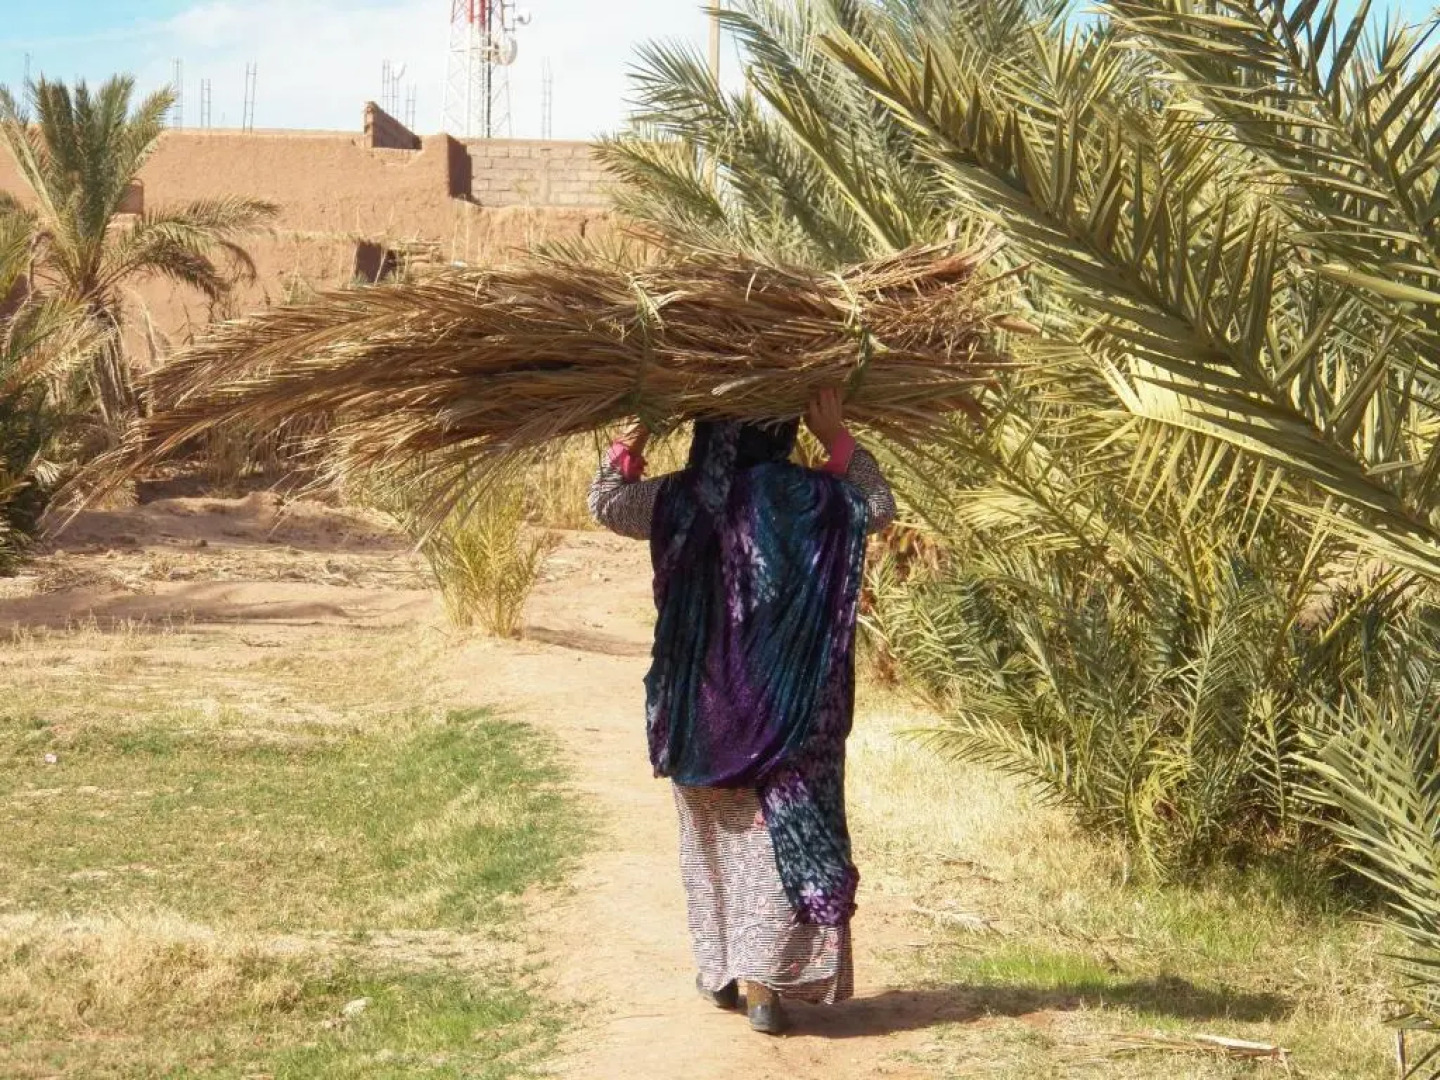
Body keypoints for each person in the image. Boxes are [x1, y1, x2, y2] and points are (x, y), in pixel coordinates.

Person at [588, 388, 896, 1035]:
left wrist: (636, 434)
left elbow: (606, 502)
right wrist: (836, 437)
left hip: (700, 711)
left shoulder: (678, 499)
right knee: (768, 842)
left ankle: (726, 970)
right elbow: (877, 504)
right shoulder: (810, 499)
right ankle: (763, 985)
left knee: (715, 841)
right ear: (782, 431)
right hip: (789, 716)